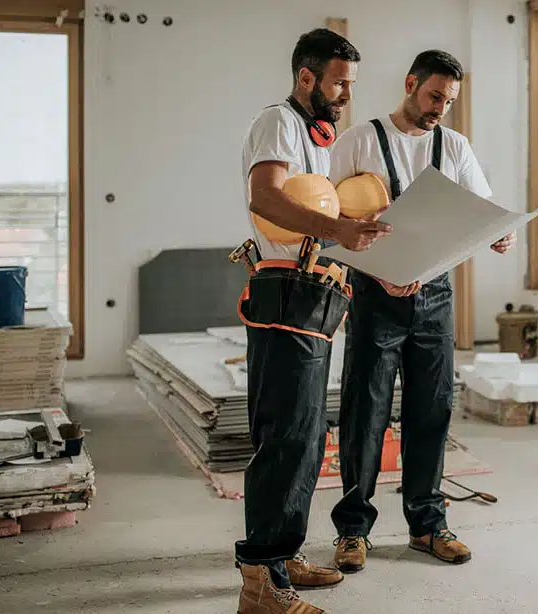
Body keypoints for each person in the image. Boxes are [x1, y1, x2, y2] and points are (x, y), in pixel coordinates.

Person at [327, 49, 514, 573]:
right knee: (365, 412)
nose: (440, 109)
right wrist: (378, 270)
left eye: (448, 101)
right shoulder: (359, 140)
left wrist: (499, 233)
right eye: (434, 96)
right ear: (410, 83)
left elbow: (481, 210)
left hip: (434, 296)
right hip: (374, 295)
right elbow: (329, 222)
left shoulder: (454, 146)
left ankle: (428, 525)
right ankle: (353, 530)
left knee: (432, 410)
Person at [234, 28, 390, 614]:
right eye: (339, 83)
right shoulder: (277, 121)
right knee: (285, 436)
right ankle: (261, 582)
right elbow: (266, 198)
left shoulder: (315, 138)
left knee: (305, 435)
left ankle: (284, 555)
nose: (347, 94)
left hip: (312, 290)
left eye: (351, 84)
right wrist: (339, 230)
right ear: (306, 77)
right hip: (284, 290)